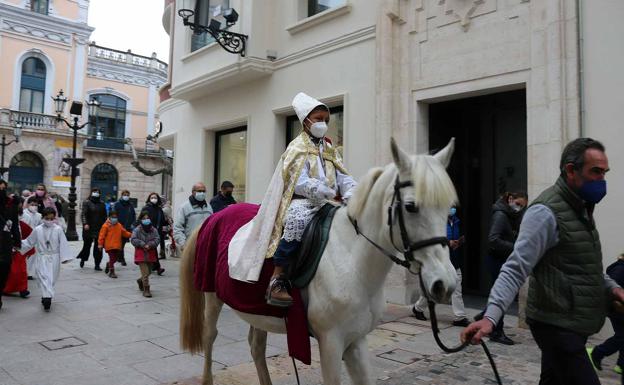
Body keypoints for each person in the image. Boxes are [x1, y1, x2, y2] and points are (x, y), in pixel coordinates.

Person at [462, 138, 624, 385]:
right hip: (556, 324)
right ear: (571, 170)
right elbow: (516, 267)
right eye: (595, 172)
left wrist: (612, 288)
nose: (601, 180)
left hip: (572, 323)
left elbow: (582, 266)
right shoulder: (545, 212)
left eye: (604, 173)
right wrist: (490, 317)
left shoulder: (582, 209)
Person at [228, 92, 357, 307]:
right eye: (318, 119)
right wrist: (320, 190)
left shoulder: (330, 148)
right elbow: (298, 180)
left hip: (328, 202)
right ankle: (278, 279)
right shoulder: (296, 147)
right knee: (296, 221)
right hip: (303, 202)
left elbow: (344, 176)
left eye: (326, 120)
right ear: (306, 121)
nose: (323, 123)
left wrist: (353, 193)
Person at [475, 191, 528, 345]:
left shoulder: (511, 215)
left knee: (503, 294)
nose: (519, 208)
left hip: (503, 259)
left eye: (522, 206)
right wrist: (515, 247)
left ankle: (485, 315)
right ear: (510, 199)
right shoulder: (501, 215)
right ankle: (496, 332)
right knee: (503, 294)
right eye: (517, 204)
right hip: (496, 260)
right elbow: (493, 240)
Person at [412, 206, 469, 326]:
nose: (452, 209)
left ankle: (459, 316)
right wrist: (448, 243)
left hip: (454, 259)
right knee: (433, 290)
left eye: (453, 206)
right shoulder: (437, 222)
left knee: (457, 287)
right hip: (440, 261)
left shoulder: (456, 221)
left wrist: (458, 242)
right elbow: (432, 240)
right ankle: (418, 308)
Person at [20, 207, 71, 311]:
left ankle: (46, 295)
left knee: (52, 278)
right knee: (44, 277)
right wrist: (17, 244)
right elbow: (29, 242)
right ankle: (47, 298)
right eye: (47, 218)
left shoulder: (58, 229)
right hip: (42, 257)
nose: (49, 221)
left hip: (54, 257)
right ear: (43, 217)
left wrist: (65, 257)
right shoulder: (37, 229)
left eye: (51, 219)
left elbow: (63, 244)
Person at [587, 252, 624, 375]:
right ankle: (596, 353)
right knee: (622, 336)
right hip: (617, 308)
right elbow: (610, 289)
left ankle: (621, 364)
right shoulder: (620, 269)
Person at [3, 197, 32, 298]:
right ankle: (7, 288)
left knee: (22, 269)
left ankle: (23, 289)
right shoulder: (6, 214)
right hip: (7, 246)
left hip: (17, 245)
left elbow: (17, 229)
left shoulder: (18, 214)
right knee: (11, 270)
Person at [0, 180, 22, 310]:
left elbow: (14, 225)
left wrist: (17, 242)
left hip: (5, 243)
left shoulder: (11, 205)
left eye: (3, 189)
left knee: (4, 269)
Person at [174, 182, 212, 251]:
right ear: (193, 192)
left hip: (206, 246)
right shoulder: (184, 207)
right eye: (199, 191)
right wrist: (183, 244)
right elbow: (177, 228)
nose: (202, 193)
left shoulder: (209, 207)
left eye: (204, 191)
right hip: (190, 247)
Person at [131, 211, 160, 297]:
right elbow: (133, 239)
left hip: (151, 253)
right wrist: (142, 244)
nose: (146, 220)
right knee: (145, 273)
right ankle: (146, 289)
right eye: (144, 218)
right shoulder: (137, 230)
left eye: (147, 218)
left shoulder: (154, 230)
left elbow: (157, 239)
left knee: (149, 272)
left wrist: (150, 244)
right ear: (141, 219)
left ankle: (140, 281)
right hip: (141, 254)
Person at [77, 188, 107, 270]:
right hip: (88, 227)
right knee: (87, 245)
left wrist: (105, 225)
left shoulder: (102, 203)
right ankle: (83, 258)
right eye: (94, 192)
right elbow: (83, 214)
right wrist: (85, 223)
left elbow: (105, 216)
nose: (96, 193)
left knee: (98, 247)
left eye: (98, 192)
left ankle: (97, 264)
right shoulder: (87, 202)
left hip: (99, 227)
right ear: (91, 193)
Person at [98, 211, 132, 279]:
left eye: (116, 217)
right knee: (112, 257)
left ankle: (109, 264)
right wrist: (100, 244)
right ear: (109, 217)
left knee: (115, 259)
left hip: (117, 245)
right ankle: (112, 271)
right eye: (113, 217)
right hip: (109, 246)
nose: (115, 219)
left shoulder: (119, 225)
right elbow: (101, 236)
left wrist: (132, 235)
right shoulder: (105, 226)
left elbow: (124, 232)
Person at [140, 192, 166, 273]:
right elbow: (141, 219)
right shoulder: (146, 208)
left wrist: (167, 223)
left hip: (157, 232)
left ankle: (152, 265)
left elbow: (162, 221)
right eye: (152, 197)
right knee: (153, 249)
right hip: (147, 231)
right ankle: (158, 267)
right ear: (149, 199)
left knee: (151, 249)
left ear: (158, 199)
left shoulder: (159, 209)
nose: (154, 199)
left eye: (155, 197)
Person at [113, 190, 136, 266]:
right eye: (125, 194)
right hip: (118, 227)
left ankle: (118, 257)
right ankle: (122, 258)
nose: (126, 196)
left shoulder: (130, 205)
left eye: (127, 195)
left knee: (122, 243)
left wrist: (133, 224)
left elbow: (133, 215)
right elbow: (113, 215)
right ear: (122, 195)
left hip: (127, 228)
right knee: (120, 243)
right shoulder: (117, 204)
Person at [23, 197, 42, 280]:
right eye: (32, 205)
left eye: (35, 205)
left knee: (33, 255)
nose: (34, 206)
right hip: (26, 237)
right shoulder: (24, 214)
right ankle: (24, 271)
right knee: (24, 255)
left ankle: (29, 273)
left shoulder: (39, 215)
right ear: (28, 205)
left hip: (35, 237)